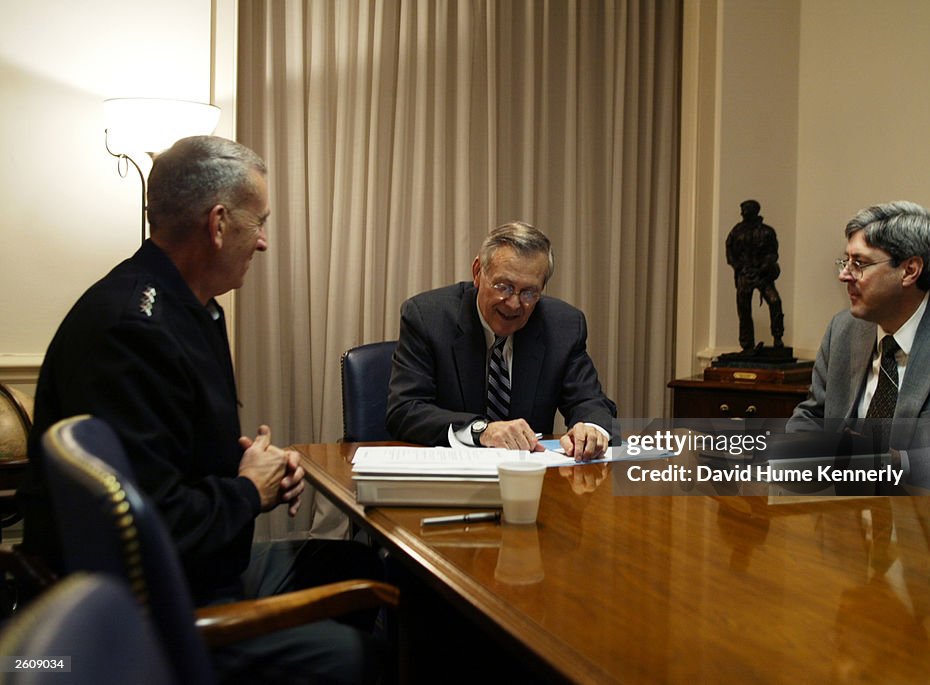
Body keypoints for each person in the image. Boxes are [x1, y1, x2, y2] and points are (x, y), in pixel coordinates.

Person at [18, 136, 384, 683]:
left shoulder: (189, 309)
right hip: (163, 611)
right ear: (217, 225)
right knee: (370, 656)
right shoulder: (132, 332)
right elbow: (151, 528)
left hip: (202, 570)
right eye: (258, 222)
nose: (262, 242)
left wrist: (248, 466)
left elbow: (172, 456)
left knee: (363, 566)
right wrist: (248, 491)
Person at [787, 200, 930, 495]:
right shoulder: (844, 330)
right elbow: (811, 417)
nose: (844, 275)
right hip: (841, 522)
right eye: (845, 261)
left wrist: (895, 464)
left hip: (929, 530)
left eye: (859, 264)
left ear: (910, 270)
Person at [386, 221, 618, 460]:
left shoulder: (563, 326)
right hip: (451, 479)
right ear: (477, 272)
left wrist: (592, 430)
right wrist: (482, 431)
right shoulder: (427, 317)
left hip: (531, 480)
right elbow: (405, 411)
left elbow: (590, 401)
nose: (514, 303)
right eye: (503, 286)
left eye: (529, 292)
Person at [726, 200, 785, 350]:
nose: (743, 213)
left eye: (746, 209)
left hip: (763, 275)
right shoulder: (736, 231)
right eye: (743, 210)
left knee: (775, 301)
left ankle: (778, 337)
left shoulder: (767, 231)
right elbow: (730, 251)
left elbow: (773, 253)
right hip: (744, 275)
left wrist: (763, 267)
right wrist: (738, 267)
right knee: (744, 309)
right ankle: (747, 345)